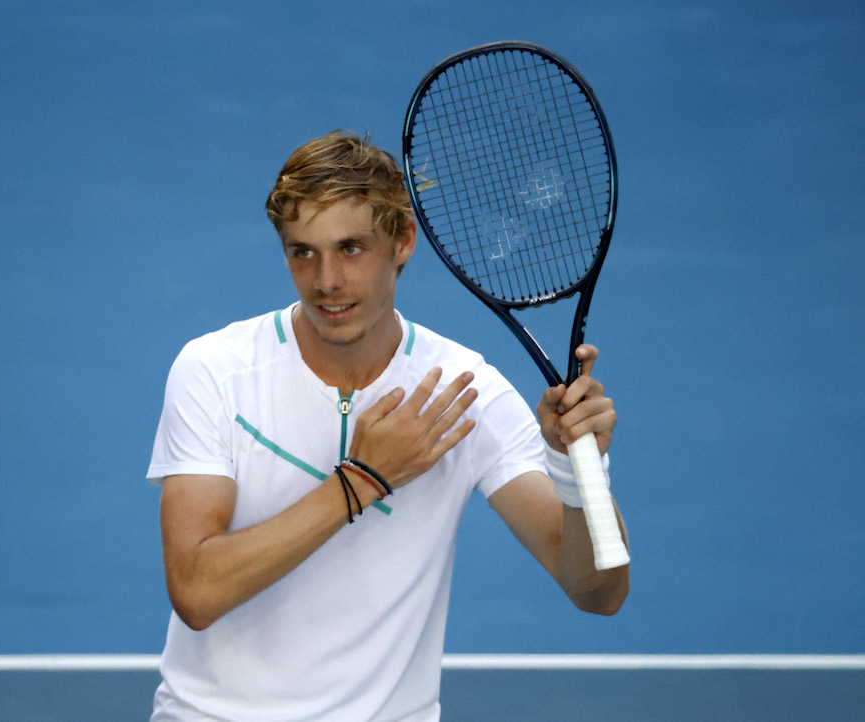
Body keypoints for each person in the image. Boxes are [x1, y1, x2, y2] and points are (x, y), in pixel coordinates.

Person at [146, 130, 629, 721]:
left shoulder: (464, 391)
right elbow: (196, 591)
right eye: (303, 252)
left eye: (351, 248)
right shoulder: (215, 371)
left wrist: (578, 471)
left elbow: (599, 592)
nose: (326, 280)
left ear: (403, 241)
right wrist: (363, 480)